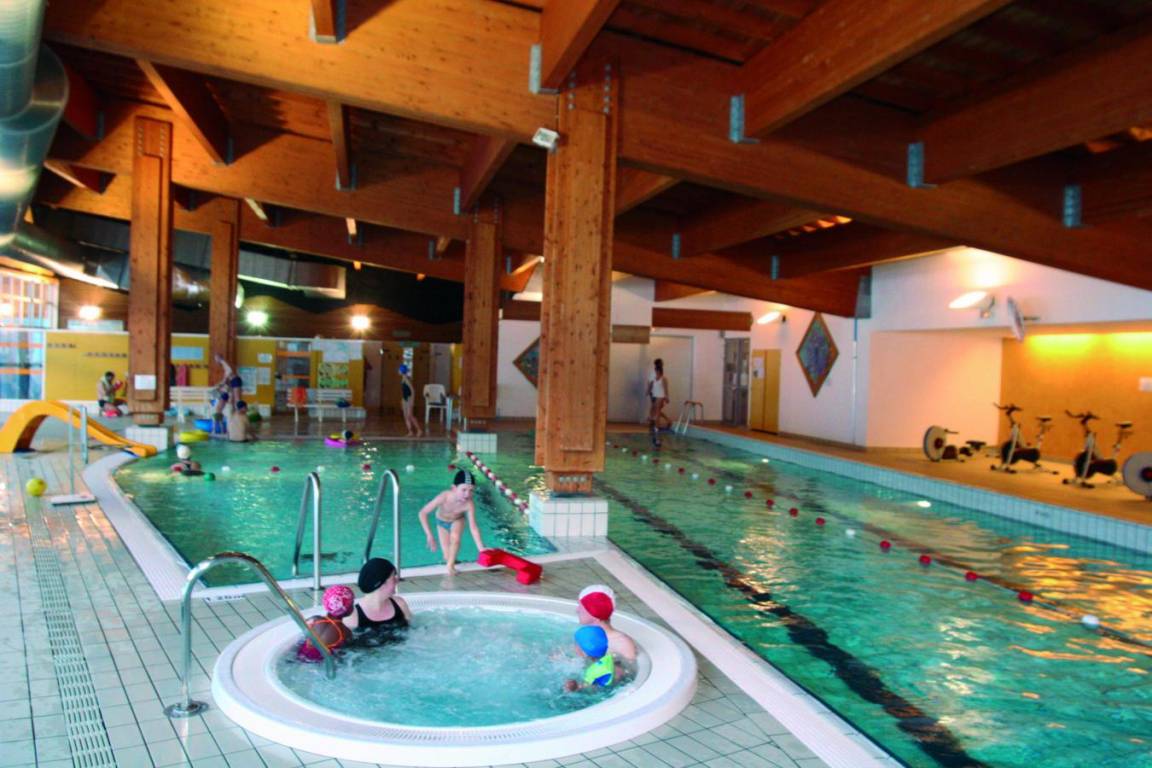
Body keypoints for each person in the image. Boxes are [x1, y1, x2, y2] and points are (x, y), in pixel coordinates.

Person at [417, 470, 485, 575]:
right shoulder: (444, 497)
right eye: (463, 490)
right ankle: (451, 560)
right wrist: (429, 535)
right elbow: (422, 513)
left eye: (471, 490)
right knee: (446, 557)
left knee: (455, 539)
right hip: (441, 522)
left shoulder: (469, 504)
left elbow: (473, 528)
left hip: (458, 520)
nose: (467, 494)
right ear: (454, 488)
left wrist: (481, 549)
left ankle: (450, 566)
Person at [343, 558, 411, 644]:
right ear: (381, 583)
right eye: (393, 577)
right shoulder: (353, 617)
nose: (397, 580)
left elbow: (413, 630)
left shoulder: (400, 604)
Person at [577, 584, 637, 664]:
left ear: (594, 613)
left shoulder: (622, 643)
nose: (577, 610)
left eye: (581, 607)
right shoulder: (583, 635)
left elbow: (629, 668)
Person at [298, 584, 354, 662]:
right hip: (320, 660)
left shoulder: (314, 619)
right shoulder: (345, 631)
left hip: (302, 653)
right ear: (348, 609)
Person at [564, 625, 615, 692]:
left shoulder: (591, 673)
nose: (573, 646)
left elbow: (585, 686)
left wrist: (573, 687)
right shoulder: (608, 657)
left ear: (584, 652)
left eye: (576, 644)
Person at [399, 364, 422, 437]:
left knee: (410, 415)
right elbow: (404, 391)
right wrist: (402, 399)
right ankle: (410, 431)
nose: (398, 371)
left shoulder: (406, 379)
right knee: (406, 416)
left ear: (402, 371)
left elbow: (412, 391)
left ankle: (419, 430)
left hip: (409, 400)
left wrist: (411, 400)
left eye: (399, 370)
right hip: (405, 399)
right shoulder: (403, 379)